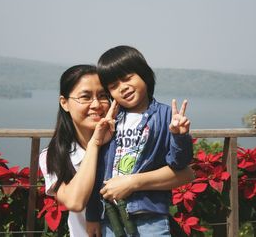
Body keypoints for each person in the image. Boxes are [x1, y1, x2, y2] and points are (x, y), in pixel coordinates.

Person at [39, 64, 193, 237]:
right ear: (64, 103)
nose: (96, 104)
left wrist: (132, 182)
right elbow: (75, 201)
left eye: (103, 95)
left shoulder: (122, 138)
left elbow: (186, 174)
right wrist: (95, 144)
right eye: (85, 97)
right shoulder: (54, 154)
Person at [86, 45, 194, 236]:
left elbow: (179, 163)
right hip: (111, 217)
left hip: (151, 216)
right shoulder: (111, 121)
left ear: (144, 74)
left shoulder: (165, 115)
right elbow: (98, 171)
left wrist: (179, 136)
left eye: (127, 78)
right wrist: (93, 216)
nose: (123, 87)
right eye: (113, 86)